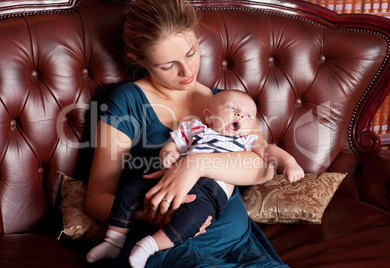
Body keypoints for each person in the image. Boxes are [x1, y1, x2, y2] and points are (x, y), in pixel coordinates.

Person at [85, 0, 291, 267]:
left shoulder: (227, 104)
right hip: (169, 248)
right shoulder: (127, 102)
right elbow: (97, 198)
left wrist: (195, 165)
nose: (186, 71)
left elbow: (263, 167)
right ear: (139, 60)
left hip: (240, 245)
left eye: (191, 53)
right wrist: (152, 216)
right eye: (168, 65)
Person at [86, 90, 304, 266]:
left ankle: (148, 246)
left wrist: (290, 163)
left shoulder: (246, 140)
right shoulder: (196, 128)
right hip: (168, 182)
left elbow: (268, 156)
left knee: (194, 216)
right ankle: (113, 241)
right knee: (130, 190)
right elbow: (173, 144)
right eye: (233, 110)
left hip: (209, 192)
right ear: (208, 115)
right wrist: (168, 153)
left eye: (248, 116)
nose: (241, 116)